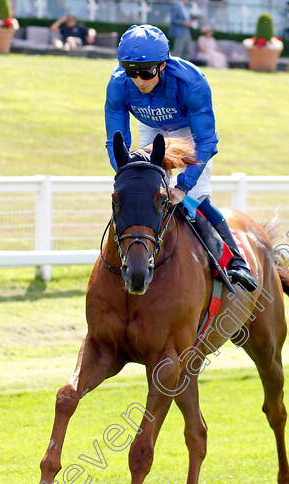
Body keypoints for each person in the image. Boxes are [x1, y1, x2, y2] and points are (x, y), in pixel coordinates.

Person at [104, 25, 257, 291]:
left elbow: (207, 141)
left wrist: (183, 186)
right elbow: (116, 140)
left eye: (146, 72)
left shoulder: (192, 82)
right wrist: (128, 175)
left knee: (194, 198)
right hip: (150, 126)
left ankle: (235, 260)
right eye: (131, 72)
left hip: (189, 130)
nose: (138, 80)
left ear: (163, 66)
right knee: (144, 190)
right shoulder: (118, 84)